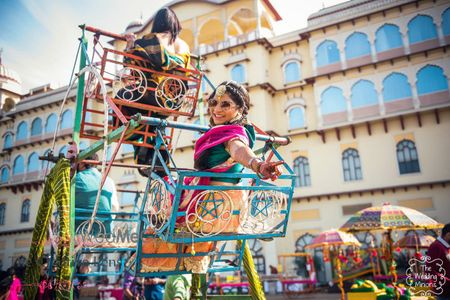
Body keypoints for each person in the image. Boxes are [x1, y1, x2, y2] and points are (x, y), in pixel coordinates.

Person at [139, 81, 283, 273]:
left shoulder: (233, 135)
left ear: (240, 109)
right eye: (214, 103)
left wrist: (258, 164)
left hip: (209, 207)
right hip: (227, 210)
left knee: (165, 188)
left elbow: (239, 149)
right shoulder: (226, 132)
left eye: (225, 105)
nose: (216, 109)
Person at [118, 7, 191, 175]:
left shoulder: (153, 40)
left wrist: (130, 44)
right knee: (152, 120)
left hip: (154, 96)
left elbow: (131, 64)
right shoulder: (184, 46)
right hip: (174, 100)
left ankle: (143, 149)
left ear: (158, 23)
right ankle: (156, 157)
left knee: (121, 97)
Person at [74, 153, 120, 236]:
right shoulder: (109, 180)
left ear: (81, 163)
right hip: (105, 233)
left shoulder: (76, 179)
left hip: (79, 233)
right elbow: (115, 207)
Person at [427, 223, 450, 299]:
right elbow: (430, 270)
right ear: (448, 235)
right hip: (444, 293)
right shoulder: (436, 246)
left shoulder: (446, 246)